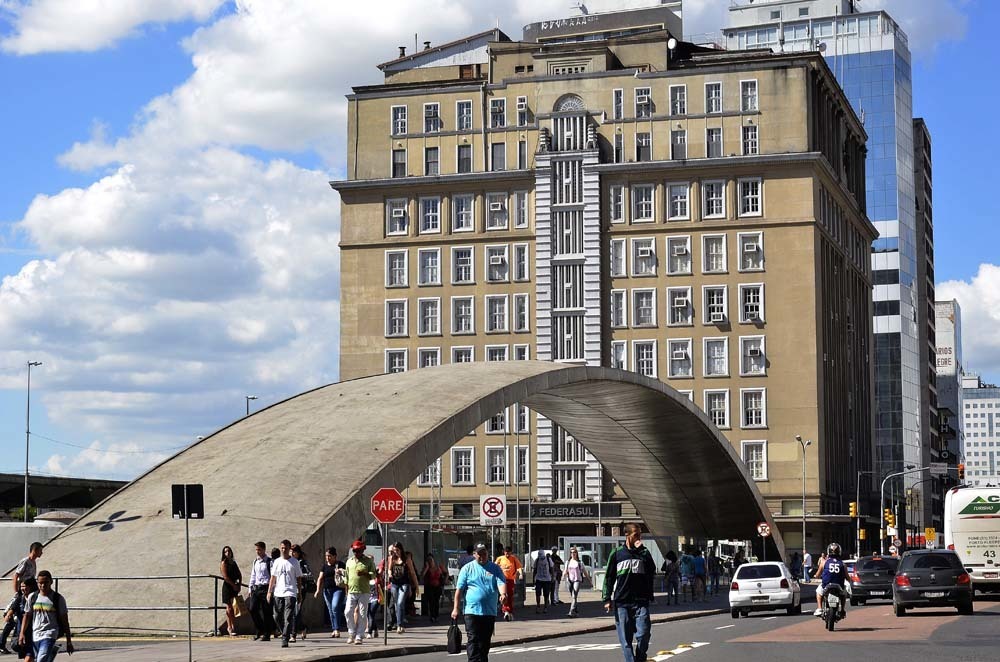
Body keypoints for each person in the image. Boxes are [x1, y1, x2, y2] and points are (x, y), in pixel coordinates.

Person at [603, 523, 655, 662]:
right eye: (636, 535)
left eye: (640, 535)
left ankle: (640, 657)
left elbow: (652, 569)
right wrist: (607, 598)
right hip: (622, 602)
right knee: (626, 640)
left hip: (641, 601)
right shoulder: (617, 553)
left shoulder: (643, 553)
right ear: (627, 535)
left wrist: (642, 550)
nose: (639, 538)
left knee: (644, 634)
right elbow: (609, 577)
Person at [451, 543, 507, 662]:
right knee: (473, 639)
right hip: (471, 611)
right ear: (474, 554)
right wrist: (456, 608)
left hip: (489, 611)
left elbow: (501, 583)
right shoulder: (467, 568)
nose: (482, 556)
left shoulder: (495, 568)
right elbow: (459, 590)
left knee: (484, 642)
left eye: (484, 553)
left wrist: (503, 594)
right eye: (479, 554)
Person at [18, 571, 72, 662]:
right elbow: (27, 616)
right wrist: (21, 633)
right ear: (37, 583)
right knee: (41, 659)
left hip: (50, 634)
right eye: (40, 583)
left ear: (51, 582)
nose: (43, 585)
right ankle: (52, 652)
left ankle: (50, 652)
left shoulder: (58, 598)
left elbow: (65, 621)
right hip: (36, 634)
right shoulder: (32, 597)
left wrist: (69, 641)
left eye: (46, 582)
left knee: (41, 660)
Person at [266, 539, 302, 648]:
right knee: (276, 616)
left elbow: (299, 578)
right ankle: (284, 632)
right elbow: (273, 577)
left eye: (285, 548)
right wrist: (269, 591)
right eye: (282, 548)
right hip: (278, 592)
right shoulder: (277, 561)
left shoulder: (294, 562)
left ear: (289, 549)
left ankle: (285, 638)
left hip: (290, 592)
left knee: (288, 617)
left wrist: (299, 592)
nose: (283, 550)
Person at [345, 539, 376, 645]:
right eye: (354, 551)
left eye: (358, 551)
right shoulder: (349, 561)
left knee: (362, 614)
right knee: (348, 612)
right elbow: (346, 577)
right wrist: (346, 590)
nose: (356, 553)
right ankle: (351, 632)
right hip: (351, 591)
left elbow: (373, 574)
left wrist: (365, 573)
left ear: (362, 550)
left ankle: (359, 635)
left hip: (364, 591)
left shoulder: (368, 561)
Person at [385, 543, 419, 634]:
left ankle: (400, 625)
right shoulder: (391, 558)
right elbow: (389, 569)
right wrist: (389, 574)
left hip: (404, 583)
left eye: (397, 550)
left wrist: (416, 586)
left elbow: (412, 573)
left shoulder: (406, 559)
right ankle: (399, 624)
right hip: (394, 583)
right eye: (394, 550)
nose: (396, 552)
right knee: (397, 604)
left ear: (401, 550)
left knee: (400, 603)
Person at [314, 547, 346, 638]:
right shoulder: (324, 566)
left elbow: (347, 575)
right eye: (326, 556)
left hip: (338, 589)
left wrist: (340, 572)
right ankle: (334, 629)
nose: (328, 558)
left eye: (330, 556)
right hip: (327, 591)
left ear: (335, 556)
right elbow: (320, 578)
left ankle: (336, 629)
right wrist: (317, 590)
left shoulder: (340, 564)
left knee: (335, 607)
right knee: (331, 610)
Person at [247, 542, 275, 642]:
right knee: (252, 609)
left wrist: (271, 590)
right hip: (256, 588)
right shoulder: (256, 561)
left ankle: (267, 634)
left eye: (259, 549)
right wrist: (250, 588)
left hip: (266, 588)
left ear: (264, 549)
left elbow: (273, 576)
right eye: (256, 550)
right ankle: (260, 629)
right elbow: (253, 575)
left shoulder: (269, 562)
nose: (257, 552)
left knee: (266, 612)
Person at [1, 578, 36, 656]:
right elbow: (13, 608)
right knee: (20, 650)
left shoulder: (36, 598)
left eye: (25, 586)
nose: (23, 588)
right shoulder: (20, 598)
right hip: (21, 629)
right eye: (21, 586)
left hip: (33, 630)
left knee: (32, 654)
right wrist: (9, 614)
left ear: (31, 587)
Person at [815, 543, 848, 618]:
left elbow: (817, 575)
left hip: (826, 585)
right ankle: (842, 610)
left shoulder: (824, 562)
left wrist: (816, 576)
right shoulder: (843, 564)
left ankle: (819, 608)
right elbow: (847, 577)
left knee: (818, 592)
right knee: (844, 594)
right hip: (839, 585)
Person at [290, 544, 314, 641]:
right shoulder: (289, 561)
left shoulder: (302, 562)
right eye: (291, 551)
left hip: (300, 589)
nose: (292, 553)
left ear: (298, 553)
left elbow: (309, 574)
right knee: (294, 612)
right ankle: (303, 627)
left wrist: (300, 575)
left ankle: (293, 634)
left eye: (294, 552)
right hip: (290, 589)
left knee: (295, 611)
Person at [493, 547, 522, 622]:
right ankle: (505, 609)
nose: (507, 554)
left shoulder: (514, 559)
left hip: (510, 579)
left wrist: (521, 574)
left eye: (508, 553)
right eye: (506, 553)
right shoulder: (500, 558)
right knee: (503, 594)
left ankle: (508, 610)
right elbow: (494, 567)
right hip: (501, 580)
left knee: (509, 595)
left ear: (511, 552)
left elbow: (519, 567)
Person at [219, 546, 242, 637]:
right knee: (229, 607)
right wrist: (233, 585)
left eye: (229, 551)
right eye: (225, 552)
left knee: (234, 607)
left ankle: (233, 625)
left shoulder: (233, 562)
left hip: (234, 587)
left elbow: (239, 574)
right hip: (228, 587)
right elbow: (225, 577)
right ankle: (229, 627)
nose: (227, 553)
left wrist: (239, 585)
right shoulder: (224, 563)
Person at [564, 547, 589, 617]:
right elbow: (565, 570)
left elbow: (585, 572)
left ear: (576, 553)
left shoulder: (580, 562)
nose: (573, 554)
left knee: (574, 595)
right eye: (571, 552)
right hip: (570, 580)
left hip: (577, 580)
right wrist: (563, 575)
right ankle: (576, 611)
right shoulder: (568, 562)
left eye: (574, 552)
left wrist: (590, 581)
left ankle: (571, 611)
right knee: (573, 597)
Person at [421, 554, 445, 623]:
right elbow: (422, 576)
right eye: (428, 560)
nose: (430, 561)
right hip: (429, 587)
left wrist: (444, 581)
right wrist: (427, 568)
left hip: (437, 587)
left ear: (433, 560)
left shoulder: (438, 567)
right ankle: (432, 616)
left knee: (436, 601)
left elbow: (445, 573)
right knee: (431, 602)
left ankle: (436, 615)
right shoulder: (426, 569)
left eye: (431, 560)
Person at [531, 549, 553, 614]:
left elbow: (551, 568)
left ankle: (545, 607)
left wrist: (552, 577)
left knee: (546, 594)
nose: (541, 557)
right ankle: (538, 606)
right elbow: (535, 570)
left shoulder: (548, 560)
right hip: (539, 579)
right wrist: (533, 579)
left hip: (547, 579)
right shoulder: (537, 560)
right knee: (538, 593)